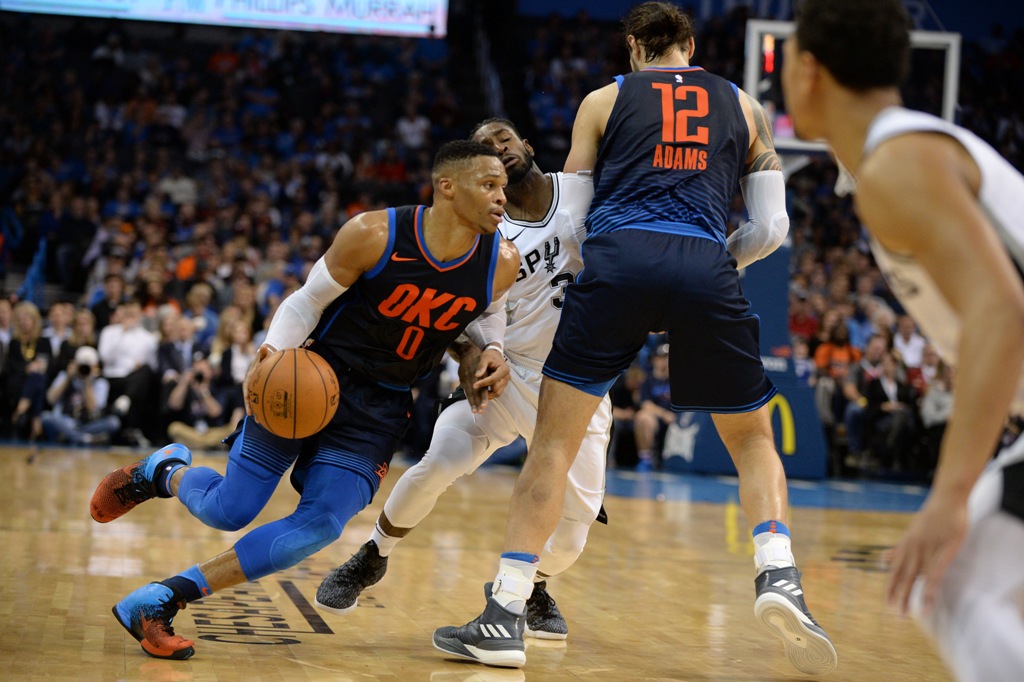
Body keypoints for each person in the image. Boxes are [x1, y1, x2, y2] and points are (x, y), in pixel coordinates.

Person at [434, 3, 836, 675]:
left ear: (633, 50)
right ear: (689, 45)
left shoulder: (604, 100)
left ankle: (504, 614)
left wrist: (633, 274)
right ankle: (778, 573)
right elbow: (770, 231)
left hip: (619, 261)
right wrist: (708, 268)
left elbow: (576, 219)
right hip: (706, 264)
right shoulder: (744, 106)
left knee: (553, 447)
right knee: (755, 441)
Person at [88, 140, 520, 661]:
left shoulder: (502, 260)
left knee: (319, 527)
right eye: (489, 185)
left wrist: (491, 348)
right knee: (230, 509)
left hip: (379, 408)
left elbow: (486, 314)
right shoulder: (374, 234)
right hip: (310, 378)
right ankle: (163, 471)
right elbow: (307, 300)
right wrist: (272, 353)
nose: (502, 198)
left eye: (503, 187)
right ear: (446, 186)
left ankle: (159, 599)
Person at [782, 1, 1024, 680]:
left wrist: (949, 494)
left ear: (809, 71)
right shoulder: (896, 157)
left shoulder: (899, 161)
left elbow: (1003, 311)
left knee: (950, 582)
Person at [315, 119, 609, 645]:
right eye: (484, 144)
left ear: (527, 147)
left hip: (577, 383)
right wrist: (478, 352)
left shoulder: (581, 189)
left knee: (573, 537)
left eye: (504, 135)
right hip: (507, 372)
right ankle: (372, 555)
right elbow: (470, 311)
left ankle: (530, 583)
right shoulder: (482, 231)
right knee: (436, 465)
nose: (496, 144)